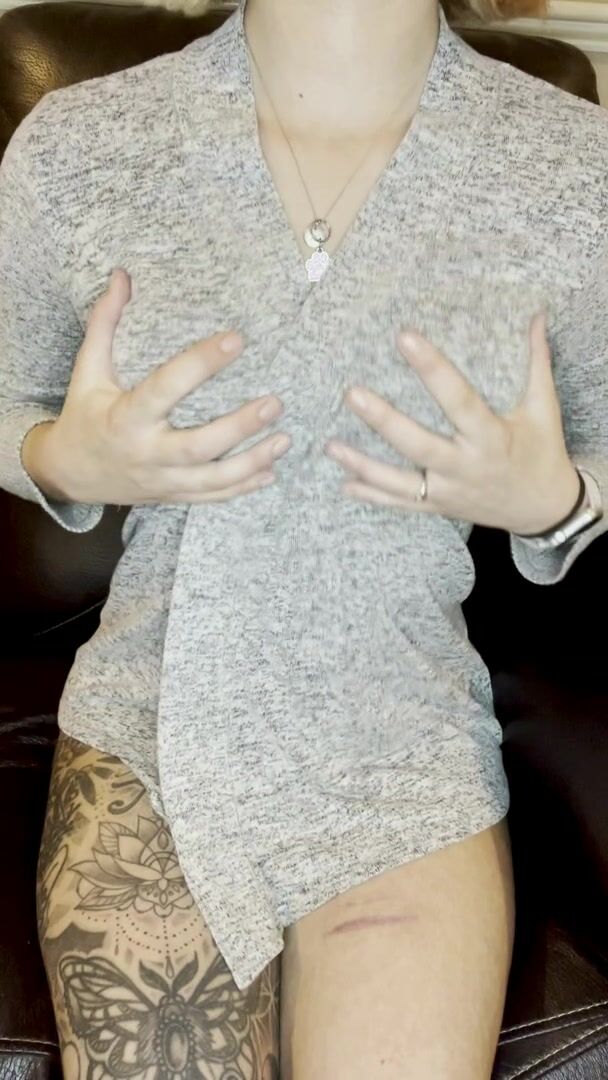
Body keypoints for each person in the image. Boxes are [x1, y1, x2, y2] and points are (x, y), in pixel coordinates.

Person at [1, 0, 606, 1073]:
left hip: (403, 740)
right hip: (151, 734)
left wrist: (557, 495)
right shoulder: (80, 144)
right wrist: (60, 458)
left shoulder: (572, 169)